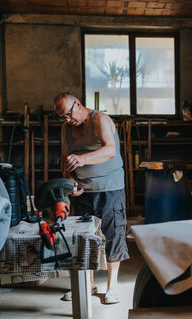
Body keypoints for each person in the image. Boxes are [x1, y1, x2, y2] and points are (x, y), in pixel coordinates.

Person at [54, 92, 129, 304]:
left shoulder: (100, 120)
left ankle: (111, 287)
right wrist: (71, 182)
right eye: (62, 117)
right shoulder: (66, 128)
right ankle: (88, 285)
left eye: (68, 114)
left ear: (77, 104)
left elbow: (111, 150)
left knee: (112, 234)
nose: (67, 120)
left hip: (110, 188)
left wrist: (81, 159)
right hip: (84, 191)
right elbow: (64, 160)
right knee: (85, 238)